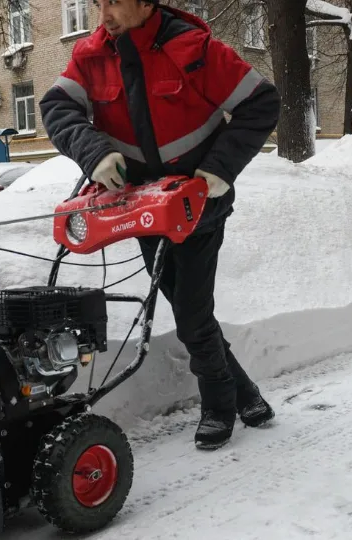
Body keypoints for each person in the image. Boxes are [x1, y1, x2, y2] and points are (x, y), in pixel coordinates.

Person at [39, 0, 281, 449]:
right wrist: (93, 153)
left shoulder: (194, 48)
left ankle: (219, 403)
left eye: (113, 1)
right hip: (141, 209)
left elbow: (261, 103)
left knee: (190, 311)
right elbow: (57, 108)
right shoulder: (91, 55)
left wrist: (219, 168)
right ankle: (247, 395)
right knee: (187, 306)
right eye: (97, 3)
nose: (103, 14)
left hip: (197, 205)